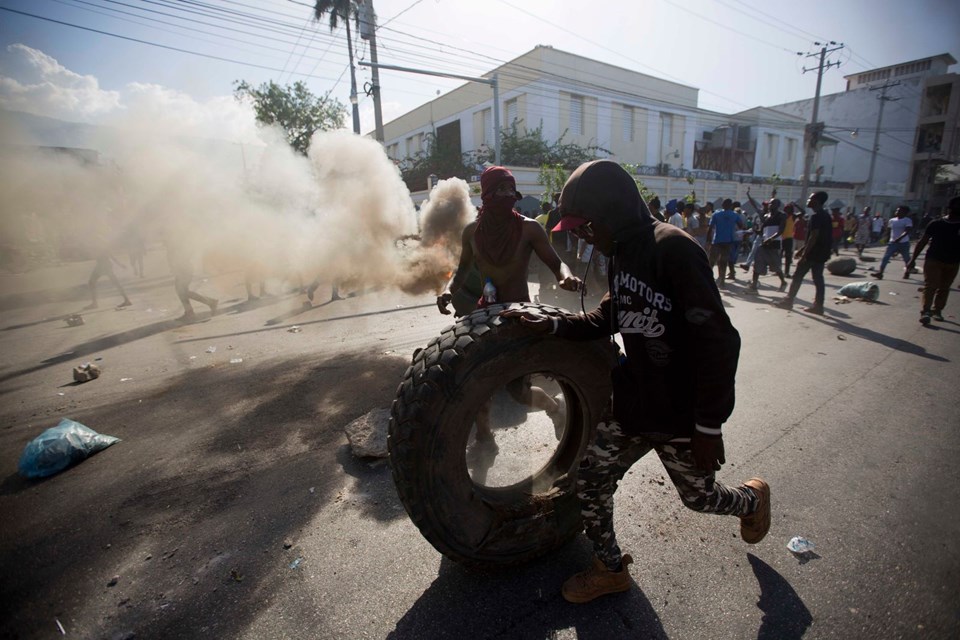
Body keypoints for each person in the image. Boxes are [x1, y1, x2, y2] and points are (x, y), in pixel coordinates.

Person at [501, 160, 770, 604]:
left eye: (586, 227)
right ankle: (609, 568)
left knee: (699, 499)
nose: (584, 237)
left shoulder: (674, 249)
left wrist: (708, 426)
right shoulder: (622, 251)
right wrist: (550, 325)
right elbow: (610, 315)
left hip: (680, 411)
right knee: (590, 475)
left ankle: (751, 500)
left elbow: (719, 342)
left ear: (612, 211)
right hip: (633, 400)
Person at [437, 166, 583, 442]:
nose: (506, 195)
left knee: (519, 392)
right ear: (487, 194)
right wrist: (447, 292)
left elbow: (556, 263)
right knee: (478, 385)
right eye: (499, 190)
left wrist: (567, 277)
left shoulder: (530, 228)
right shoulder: (472, 232)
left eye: (509, 189)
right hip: (484, 316)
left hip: (519, 317)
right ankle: (484, 439)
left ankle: (555, 408)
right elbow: (460, 272)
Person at [773, 191, 832, 315]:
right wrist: (802, 249)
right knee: (818, 279)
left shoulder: (816, 217)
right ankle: (819, 306)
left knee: (797, 276)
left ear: (816, 201)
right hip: (821, 253)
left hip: (813, 253)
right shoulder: (825, 215)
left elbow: (814, 236)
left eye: (810, 199)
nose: (808, 201)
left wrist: (804, 254)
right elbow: (818, 236)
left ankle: (788, 301)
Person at [908, 196, 960, 325]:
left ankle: (937, 310)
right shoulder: (937, 223)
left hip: (953, 262)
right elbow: (923, 242)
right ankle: (925, 312)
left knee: (944, 288)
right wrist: (912, 259)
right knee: (931, 286)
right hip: (934, 259)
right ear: (950, 208)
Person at [744, 190, 788, 293]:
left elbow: (781, 231)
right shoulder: (766, 216)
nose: (770, 205)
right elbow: (762, 231)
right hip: (764, 243)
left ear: (777, 205)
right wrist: (754, 230)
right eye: (770, 203)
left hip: (774, 244)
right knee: (757, 264)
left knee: (776, 266)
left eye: (773, 203)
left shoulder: (781, 216)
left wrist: (770, 239)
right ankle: (754, 287)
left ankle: (783, 282)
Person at [706, 198, 743, 289]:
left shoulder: (716, 214)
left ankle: (707, 280)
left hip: (717, 241)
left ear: (722, 205)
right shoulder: (734, 215)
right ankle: (722, 282)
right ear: (731, 206)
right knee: (723, 261)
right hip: (728, 241)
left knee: (711, 261)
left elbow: (710, 228)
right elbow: (741, 225)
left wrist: (708, 240)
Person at [871, 205, 913, 280]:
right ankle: (880, 273)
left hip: (904, 243)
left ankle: (907, 272)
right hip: (892, 242)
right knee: (885, 258)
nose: (896, 212)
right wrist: (885, 238)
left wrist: (899, 238)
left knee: (906, 259)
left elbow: (907, 231)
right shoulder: (892, 220)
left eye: (899, 211)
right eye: (896, 210)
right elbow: (889, 230)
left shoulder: (907, 220)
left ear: (904, 212)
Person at [781, 204, 796, 277]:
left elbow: (802, 212)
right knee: (779, 255)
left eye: (789, 209)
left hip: (789, 238)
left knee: (788, 256)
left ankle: (787, 272)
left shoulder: (793, 217)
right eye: (786, 209)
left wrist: (796, 205)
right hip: (781, 238)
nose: (787, 210)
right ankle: (779, 270)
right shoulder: (783, 216)